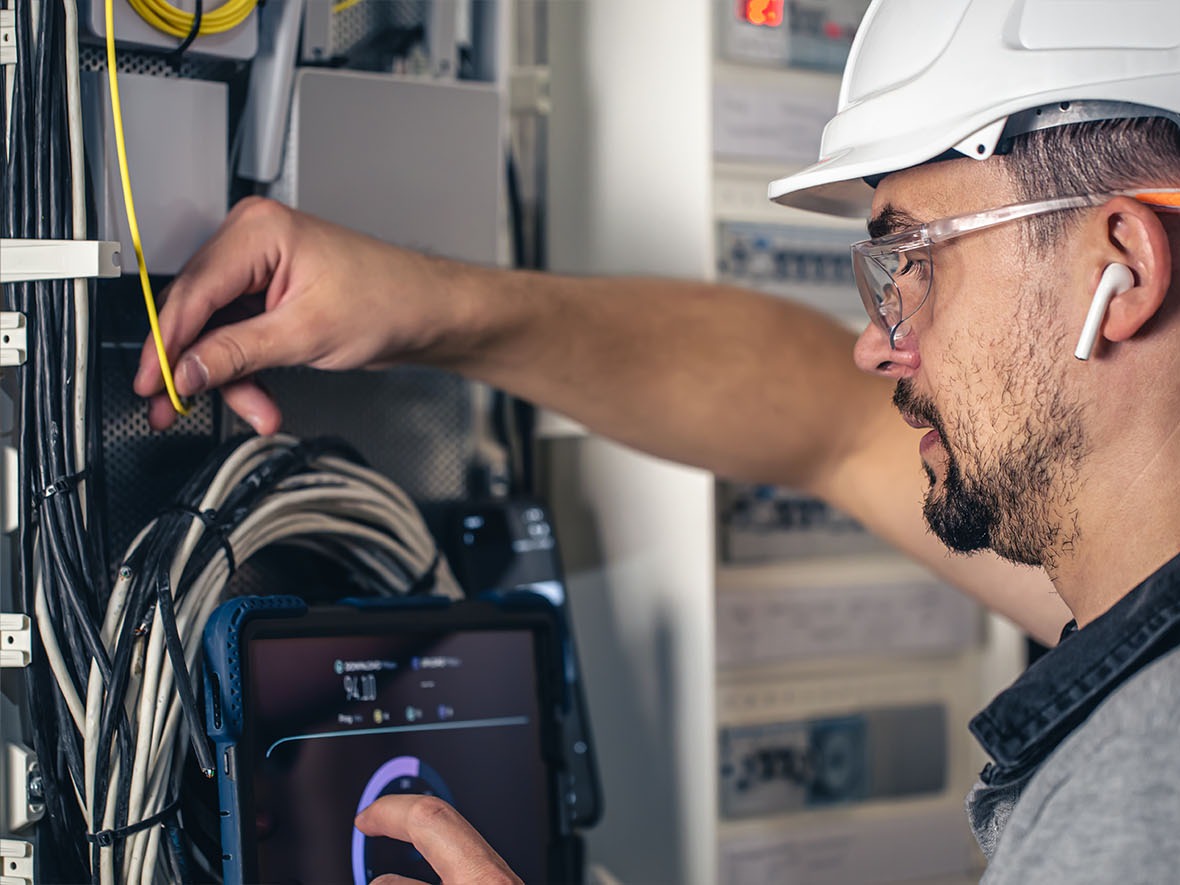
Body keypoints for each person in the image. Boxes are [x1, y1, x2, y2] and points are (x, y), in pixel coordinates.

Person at [136, 0, 1180, 880]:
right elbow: (813, 418)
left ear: (1120, 268)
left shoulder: (1133, 796)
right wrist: (435, 307)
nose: (877, 345)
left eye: (916, 261)